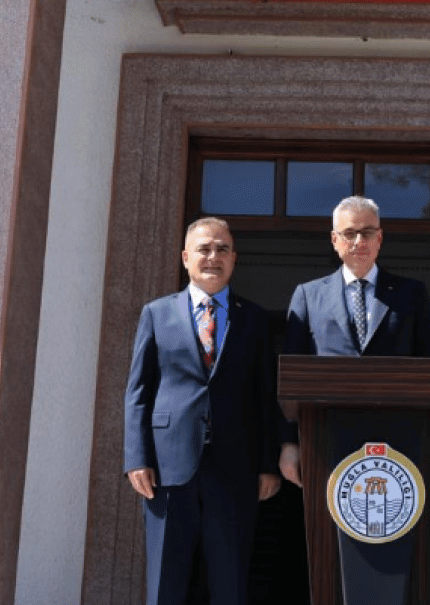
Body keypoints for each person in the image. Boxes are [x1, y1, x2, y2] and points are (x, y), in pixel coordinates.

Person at [123, 217, 282, 605]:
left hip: (235, 468)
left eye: (223, 249)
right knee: (165, 581)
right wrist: (136, 458)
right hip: (166, 467)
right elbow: (138, 392)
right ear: (185, 258)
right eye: (204, 249)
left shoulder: (257, 320)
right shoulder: (156, 314)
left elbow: (267, 397)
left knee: (230, 582)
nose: (214, 257)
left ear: (234, 258)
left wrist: (268, 464)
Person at [279, 195, 430, 484]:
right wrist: (290, 442)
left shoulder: (411, 294)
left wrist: (429, 438)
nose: (358, 241)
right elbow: (290, 378)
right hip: (325, 437)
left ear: (380, 238)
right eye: (349, 233)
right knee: (331, 528)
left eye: (367, 232)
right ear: (334, 240)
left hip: (397, 442)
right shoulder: (308, 296)